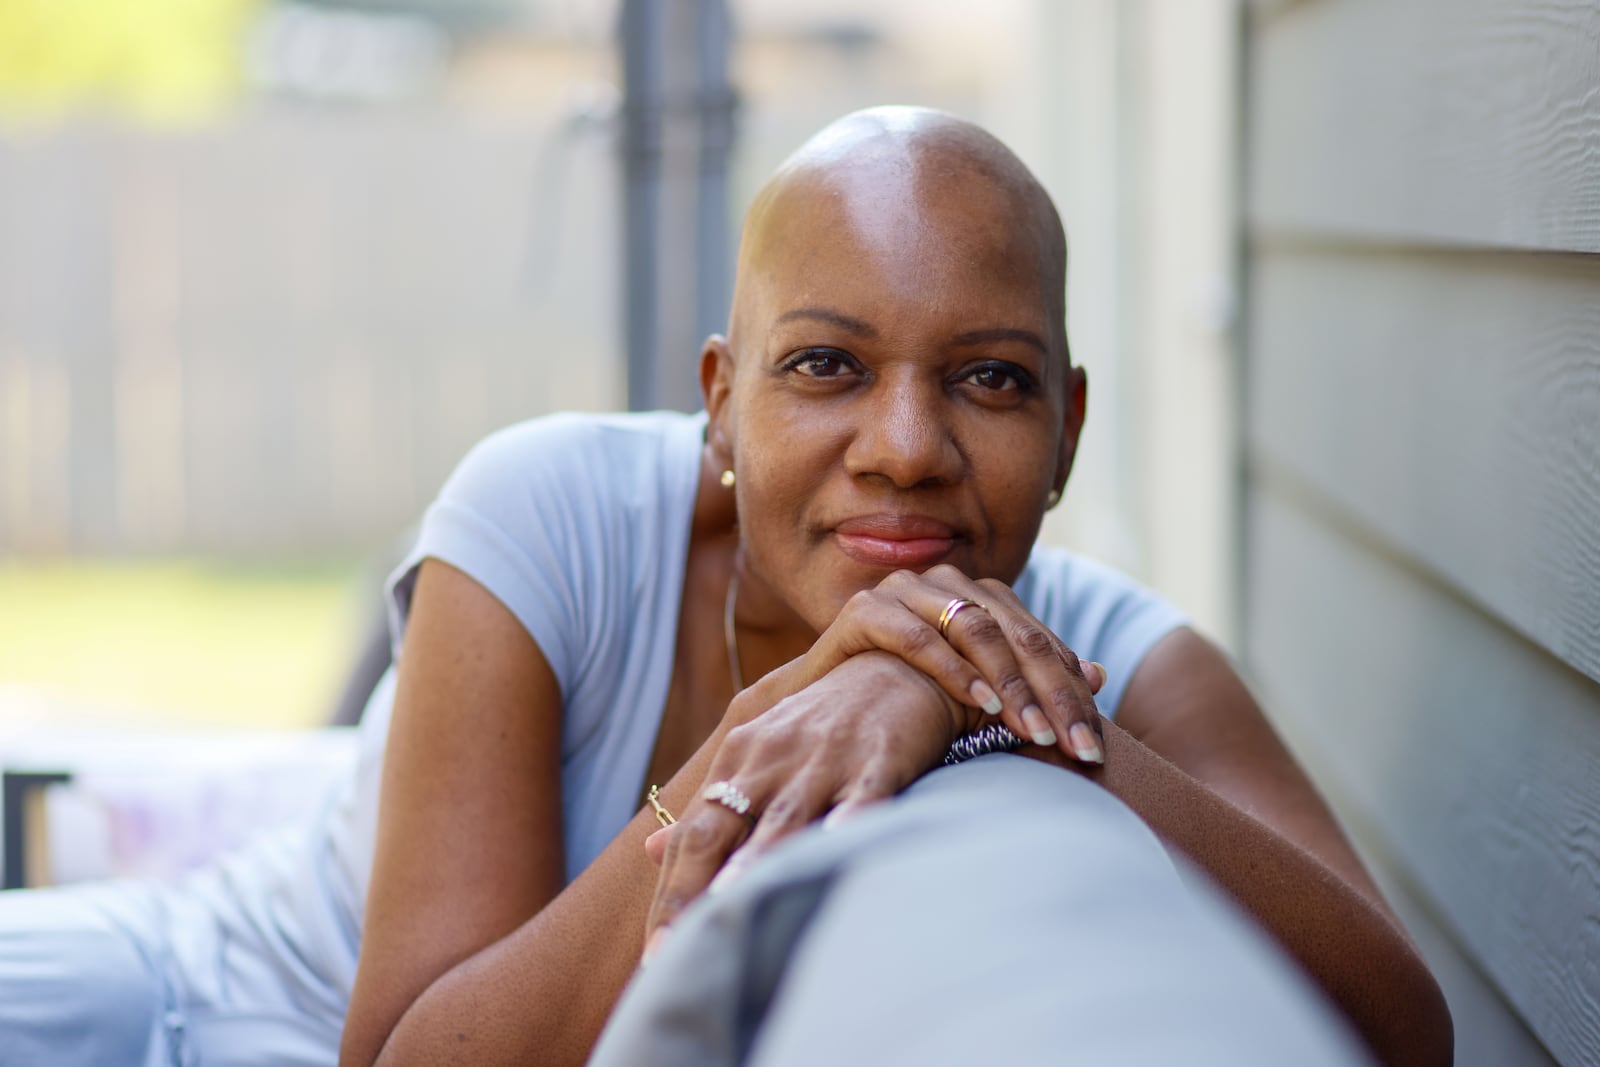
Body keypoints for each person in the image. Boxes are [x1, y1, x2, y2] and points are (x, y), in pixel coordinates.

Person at [0, 106, 1451, 1067]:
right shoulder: (546, 517)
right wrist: (774, 728)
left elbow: (1405, 1030)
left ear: (1068, 427)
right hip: (179, 985)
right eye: (825, 365)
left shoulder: (1132, 664)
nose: (905, 448)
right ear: (719, 401)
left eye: (989, 380)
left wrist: (1006, 717)